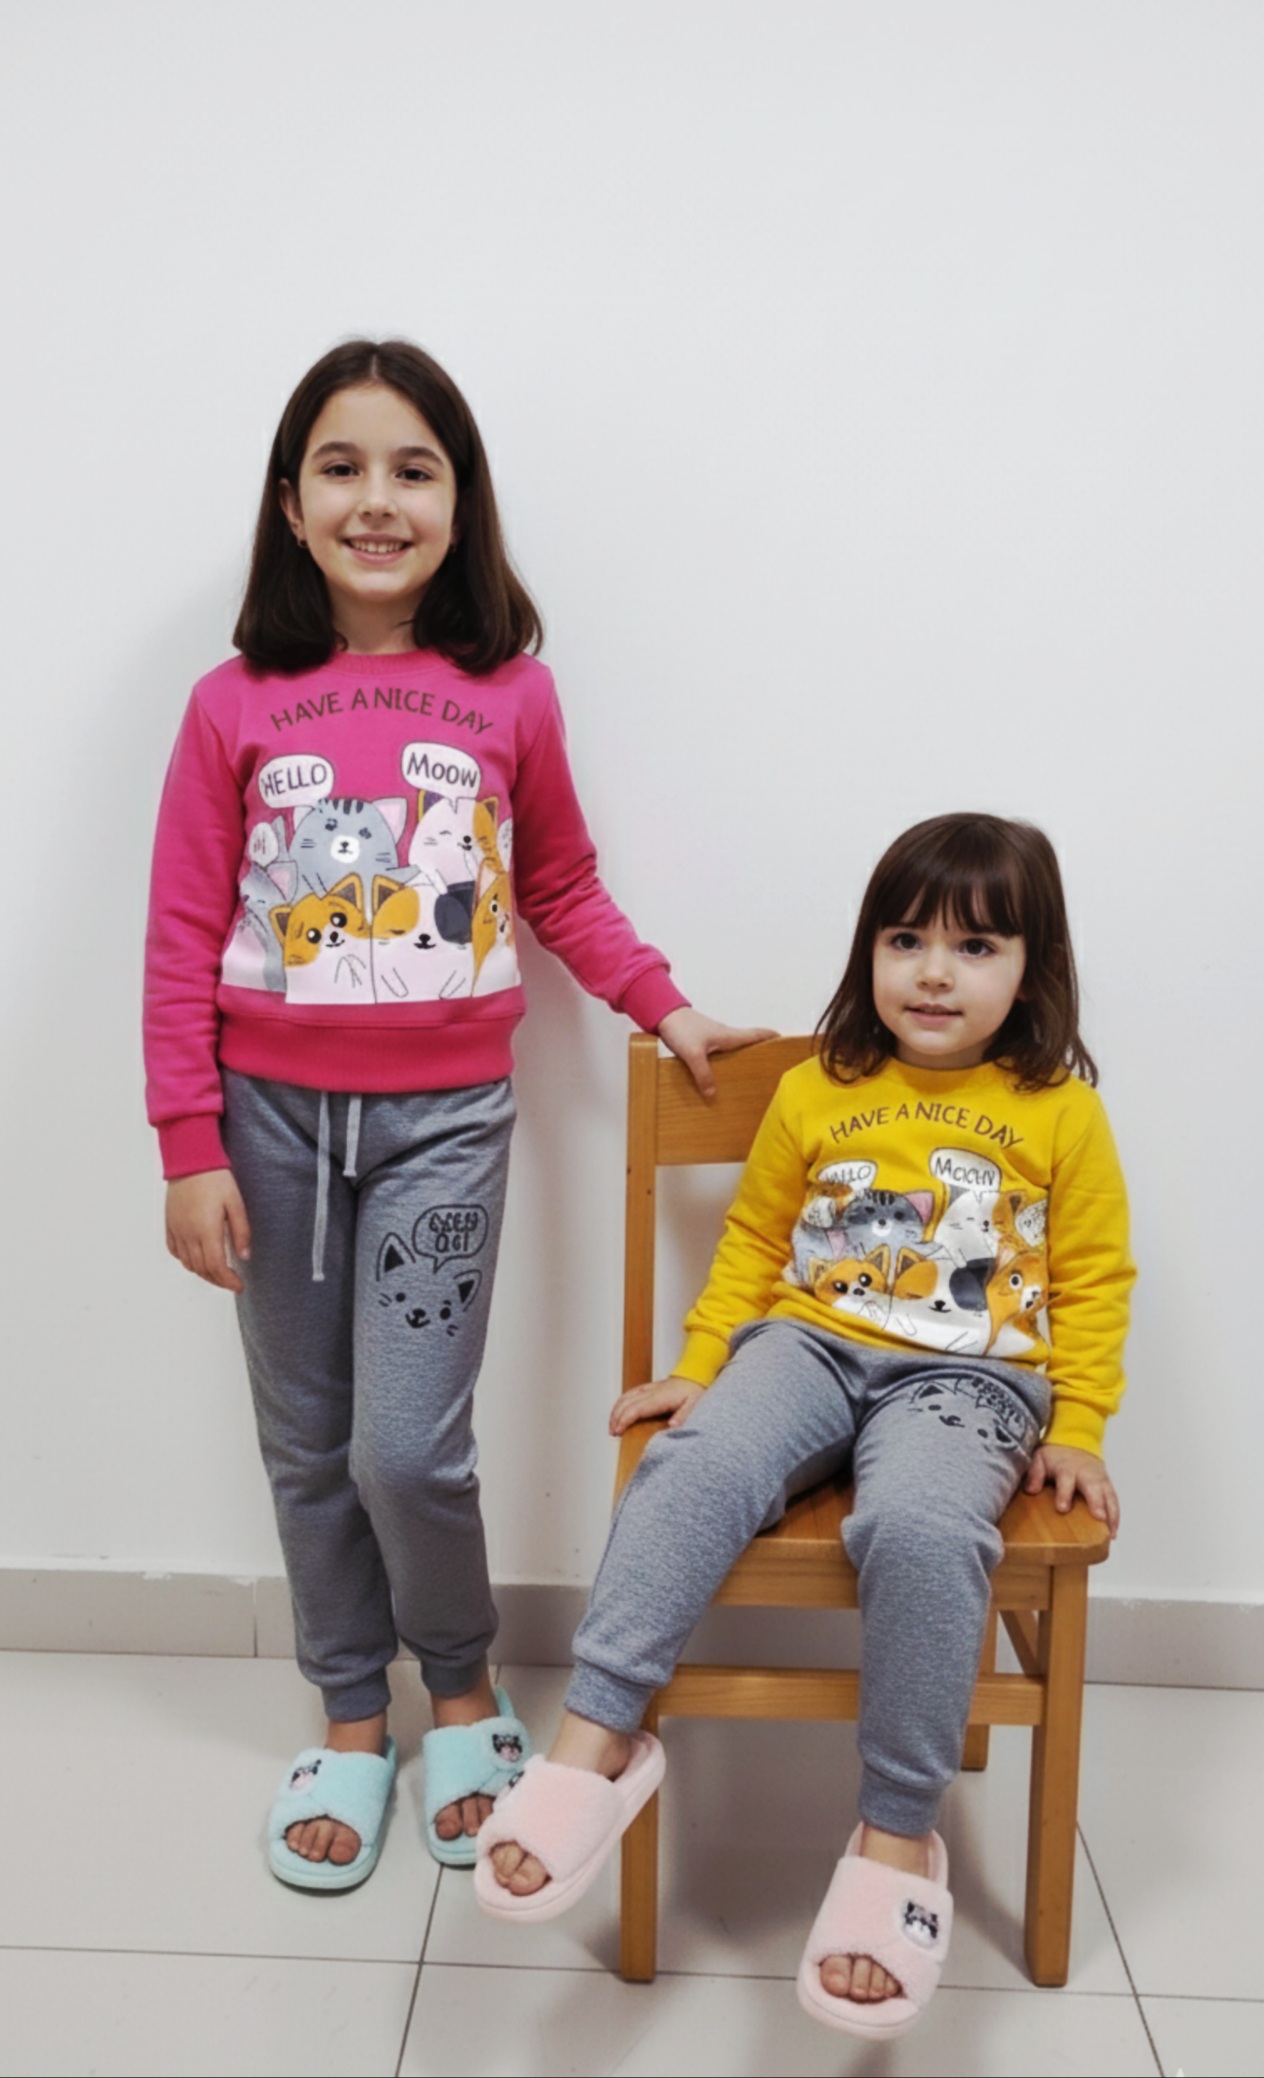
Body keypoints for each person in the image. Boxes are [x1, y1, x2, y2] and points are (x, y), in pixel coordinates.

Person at [143, 338, 770, 1891]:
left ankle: (467, 1689)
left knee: (407, 1447)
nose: (378, 499)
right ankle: (351, 1716)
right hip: (270, 1127)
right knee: (308, 1442)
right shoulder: (230, 705)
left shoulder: (511, 694)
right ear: (290, 504)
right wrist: (188, 1144)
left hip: (443, 1129)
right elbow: (178, 934)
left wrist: (663, 1004)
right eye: (342, 468)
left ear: (459, 501)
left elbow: (558, 883)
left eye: (413, 469)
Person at [476, 811, 1134, 2041]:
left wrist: (1081, 1421)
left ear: (1032, 968)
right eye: (905, 939)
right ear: (868, 950)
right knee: (692, 1465)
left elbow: (1095, 1282)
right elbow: (752, 1241)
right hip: (807, 1345)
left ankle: (897, 1834)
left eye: (975, 947)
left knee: (922, 1526)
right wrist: (699, 1366)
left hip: (970, 1380)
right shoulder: (817, 1086)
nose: (933, 972)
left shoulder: (1060, 1111)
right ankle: (594, 1740)